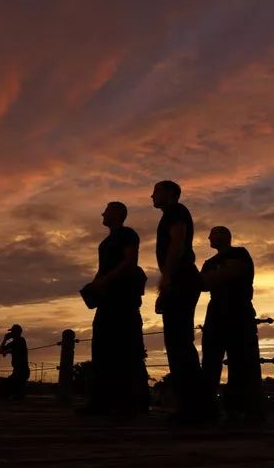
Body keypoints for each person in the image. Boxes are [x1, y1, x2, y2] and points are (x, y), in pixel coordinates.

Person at [152, 180, 213, 423]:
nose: (152, 196)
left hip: (182, 279)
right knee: (177, 342)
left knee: (179, 342)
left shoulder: (177, 211)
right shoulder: (170, 214)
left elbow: (178, 243)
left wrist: (166, 278)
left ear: (170, 193)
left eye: (156, 191)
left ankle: (195, 409)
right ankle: (194, 407)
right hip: (179, 280)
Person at [80, 202, 148, 415]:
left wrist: (106, 280)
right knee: (102, 347)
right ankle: (102, 400)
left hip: (123, 298)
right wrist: (95, 286)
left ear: (118, 213)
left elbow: (130, 261)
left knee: (127, 348)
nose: (103, 213)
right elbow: (102, 269)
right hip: (107, 299)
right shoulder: (106, 241)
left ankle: (132, 402)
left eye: (107, 210)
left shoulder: (127, 234)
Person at [200, 226, 262, 422]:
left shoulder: (240, 253)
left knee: (241, 360)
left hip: (239, 312)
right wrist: (220, 274)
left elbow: (230, 274)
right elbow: (203, 284)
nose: (210, 236)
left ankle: (239, 409)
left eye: (214, 232)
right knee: (210, 360)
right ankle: (208, 407)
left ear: (225, 236)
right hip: (216, 312)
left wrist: (216, 276)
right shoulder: (209, 262)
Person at [0, 324, 29, 399]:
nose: (10, 334)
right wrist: (5, 339)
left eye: (12, 332)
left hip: (22, 371)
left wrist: (8, 351)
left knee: (7, 390)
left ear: (15, 333)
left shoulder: (21, 340)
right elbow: (0, 351)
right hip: (17, 371)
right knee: (9, 391)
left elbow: (16, 349)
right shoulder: (12, 343)